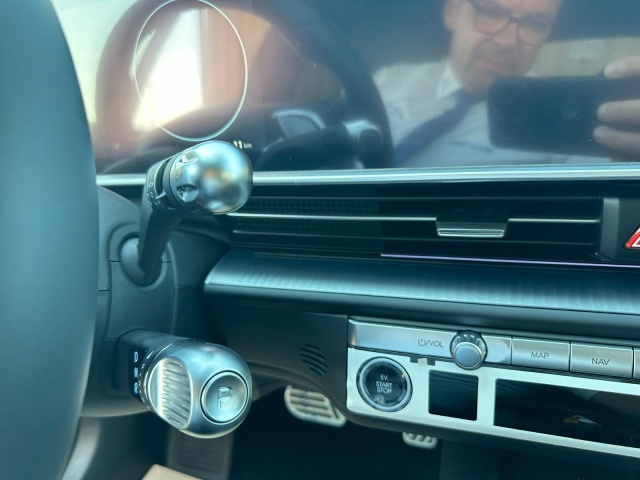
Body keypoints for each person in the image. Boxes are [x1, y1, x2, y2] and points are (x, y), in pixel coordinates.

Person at [374, 0, 640, 167]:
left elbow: (598, 175)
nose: (507, 42)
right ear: (453, 12)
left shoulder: (556, 118)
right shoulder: (388, 79)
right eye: (490, 12)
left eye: (535, 23)